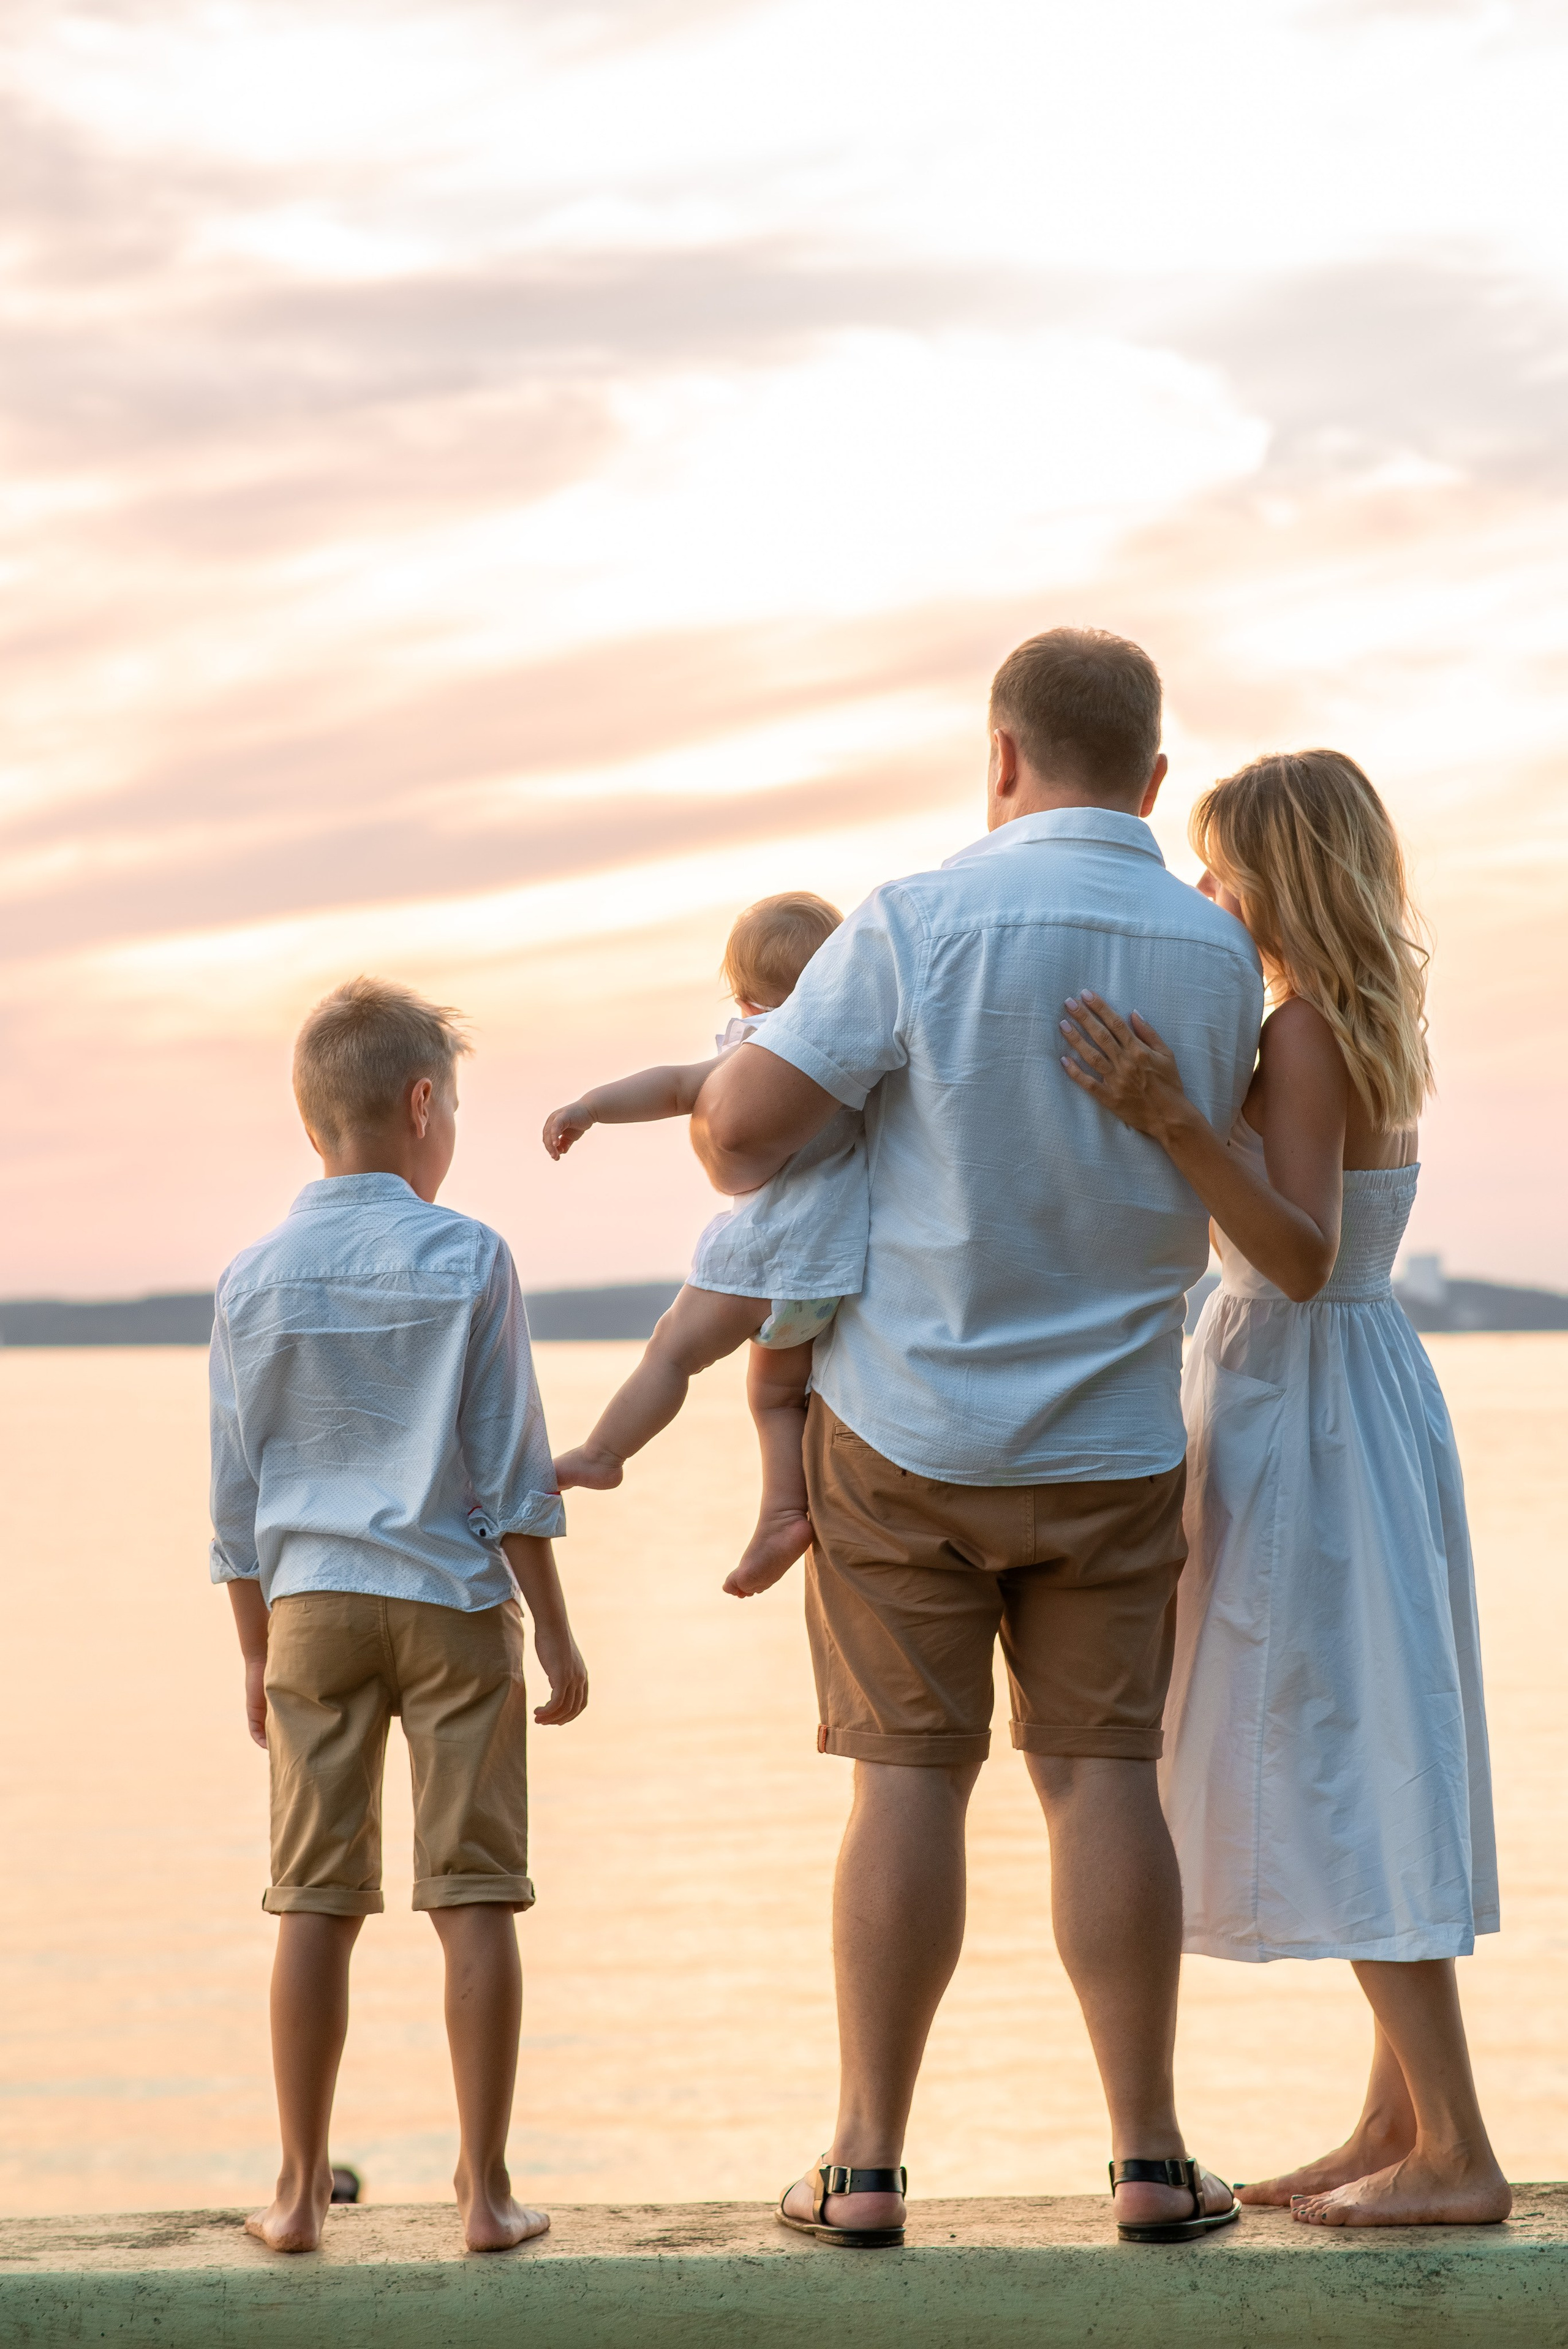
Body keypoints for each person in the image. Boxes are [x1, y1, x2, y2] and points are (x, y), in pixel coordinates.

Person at [689, 628, 1263, 2246]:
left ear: (999, 753)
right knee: (1101, 1783)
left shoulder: (916, 918)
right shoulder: (1218, 956)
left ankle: (862, 2166)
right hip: (1113, 1439)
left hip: (906, 1433)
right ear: (1154, 777)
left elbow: (738, 1139)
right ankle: (1151, 2157)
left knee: (907, 1790)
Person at [1058, 750, 1509, 2229]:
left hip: (1307, 1393)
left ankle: (1453, 2145)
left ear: (1274, 877)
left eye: (1217, 868)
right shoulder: (1349, 1020)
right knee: (1358, 1730)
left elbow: (1302, 1250)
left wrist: (1164, 1114)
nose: (1201, 894)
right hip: (1341, 1393)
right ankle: (1395, 2115)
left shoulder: (1303, 1032)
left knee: (1339, 1744)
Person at [210, 977, 588, 2255]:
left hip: (311, 1605)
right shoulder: (471, 1256)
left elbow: (236, 1495)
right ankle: (484, 2195)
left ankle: (299, 2193)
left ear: (315, 1119)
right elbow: (512, 1472)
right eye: (456, 1106)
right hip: (451, 1604)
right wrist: (558, 1629)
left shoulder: (251, 1278)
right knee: (472, 1895)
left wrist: (256, 1653)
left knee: (311, 1899)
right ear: (421, 1104)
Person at [543, 891, 867, 1598]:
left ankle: (604, 1452)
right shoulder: (858, 1052)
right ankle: (785, 1511)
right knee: (776, 1398)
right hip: (831, 1276)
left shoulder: (762, 1049)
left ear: (746, 996)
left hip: (761, 1257)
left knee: (672, 1351)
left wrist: (591, 1105)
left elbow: (674, 1088)